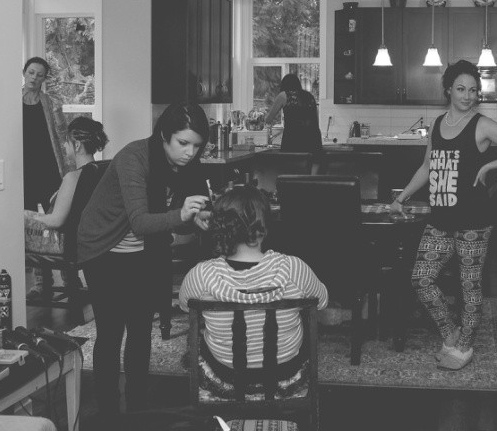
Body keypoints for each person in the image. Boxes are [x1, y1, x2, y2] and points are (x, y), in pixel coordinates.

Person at [389, 60, 497, 370]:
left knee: (470, 286)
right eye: (461, 89)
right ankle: (451, 333)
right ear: (448, 91)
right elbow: (428, 167)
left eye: (473, 90)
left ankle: (465, 346)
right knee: (421, 279)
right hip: (439, 218)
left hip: (474, 221)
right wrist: (402, 196)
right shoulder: (439, 123)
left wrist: (488, 166)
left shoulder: (481, 124)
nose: (468, 95)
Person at [76, 102, 212, 418]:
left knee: (140, 328)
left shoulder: (185, 163)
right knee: (111, 331)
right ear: (164, 135)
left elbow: (180, 212)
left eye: (196, 145)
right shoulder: (133, 159)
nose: (190, 152)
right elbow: (141, 221)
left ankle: (138, 411)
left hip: (143, 249)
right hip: (102, 247)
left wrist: (197, 217)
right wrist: (181, 215)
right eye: (183, 143)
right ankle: (107, 413)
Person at [180, 185, 328, 396]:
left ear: (221, 228)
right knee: (304, 315)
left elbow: (186, 307)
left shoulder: (201, 274)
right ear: (265, 226)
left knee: (195, 335)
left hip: (226, 375)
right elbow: (322, 301)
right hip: (284, 374)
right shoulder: (294, 267)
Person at [28, 116, 109, 297]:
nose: (65, 146)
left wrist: (28, 217)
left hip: (70, 246)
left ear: (77, 145)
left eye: (67, 142)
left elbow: (56, 221)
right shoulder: (103, 170)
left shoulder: (72, 178)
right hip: (97, 241)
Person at [22, 56, 72, 299]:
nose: (34, 78)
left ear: (44, 78)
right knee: (30, 228)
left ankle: (69, 278)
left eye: (39, 75)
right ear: (24, 73)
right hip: (24, 171)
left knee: (59, 221)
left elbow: (63, 137)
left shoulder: (50, 103)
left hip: (50, 168)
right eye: (31, 72)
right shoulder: (11, 103)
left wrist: (69, 169)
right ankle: (41, 283)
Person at [263, 73, 322, 153]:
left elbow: (269, 119)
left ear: (283, 85)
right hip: (312, 140)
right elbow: (315, 120)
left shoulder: (283, 95)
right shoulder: (309, 96)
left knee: (292, 164)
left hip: (293, 140)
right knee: (309, 164)